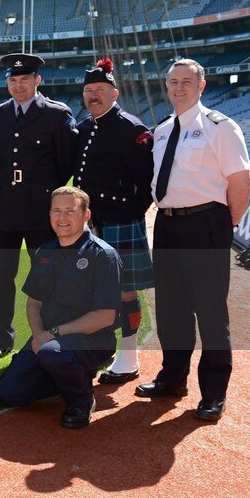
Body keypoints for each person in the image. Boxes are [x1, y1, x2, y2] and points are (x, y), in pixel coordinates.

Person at [135, 58, 250, 422]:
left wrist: (223, 225)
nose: (179, 88)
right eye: (173, 82)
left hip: (206, 225)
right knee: (171, 309)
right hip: (167, 225)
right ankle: (173, 377)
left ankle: (214, 392)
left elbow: (239, 183)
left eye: (187, 82)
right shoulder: (164, 129)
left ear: (202, 86)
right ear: (166, 87)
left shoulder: (220, 127)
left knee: (211, 313)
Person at [0, 187, 121, 429]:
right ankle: (70, 374)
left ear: (86, 215)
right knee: (11, 394)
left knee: (52, 355)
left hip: (92, 339)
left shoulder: (103, 255)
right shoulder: (45, 251)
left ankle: (81, 401)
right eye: (56, 211)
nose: (61, 218)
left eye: (69, 211)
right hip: (50, 340)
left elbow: (105, 317)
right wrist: (37, 335)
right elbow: (34, 301)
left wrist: (52, 335)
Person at [0, 53, 77, 360]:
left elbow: (65, 163)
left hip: (40, 213)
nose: (18, 85)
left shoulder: (55, 113)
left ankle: (49, 338)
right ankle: (2, 339)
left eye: (25, 79)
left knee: (47, 280)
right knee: (1, 278)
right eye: (13, 80)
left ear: (38, 80)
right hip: (3, 212)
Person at [72, 58, 155, 384]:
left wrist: (130, 214)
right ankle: (98, 351)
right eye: (89, 91)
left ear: (114, 93)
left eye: (100, 90)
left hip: (119, 221)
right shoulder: (83, 127)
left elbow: (148, 183)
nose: (93, 95)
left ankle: (129, 357)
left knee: (124, 293)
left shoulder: (131, 129)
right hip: (90, 225)